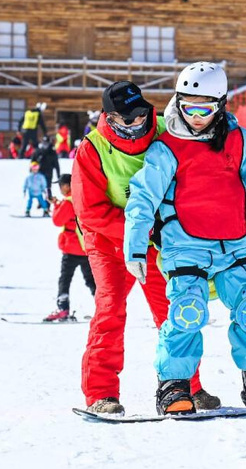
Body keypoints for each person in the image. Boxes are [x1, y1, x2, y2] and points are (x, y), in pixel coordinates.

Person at [124, 62, 246, 414]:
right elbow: (143, 198)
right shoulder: (166, 147)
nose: (195, 118)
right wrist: (135, 247)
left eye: (204, 110)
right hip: (185, 244)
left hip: (235, 242)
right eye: (188, 108)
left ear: (221, 106)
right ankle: (173, 385)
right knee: (187, 312)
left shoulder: (237, 140)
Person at [74, 80, 218, 415]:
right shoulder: (92, 149)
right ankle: (101, 394)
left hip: (158, 240)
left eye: (142, 114)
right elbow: (90, 211)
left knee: (174, 312)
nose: (137, 122)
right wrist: (142, 228)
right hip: (109, 240)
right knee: (110, 309)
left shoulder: (168, 130)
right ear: (109, 117)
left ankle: (186, 385)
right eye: (128, 118)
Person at [44, 174, 97, 322]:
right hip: (86, 247)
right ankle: (104, 307)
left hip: (72, 248)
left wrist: (56, 205)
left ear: (67, 186)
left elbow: (57, 220)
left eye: (61, 186)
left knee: (65, 279)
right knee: (91, 280)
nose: (60, 189)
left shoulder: (68, 202)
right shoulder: (82, 197)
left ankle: (63, 309)